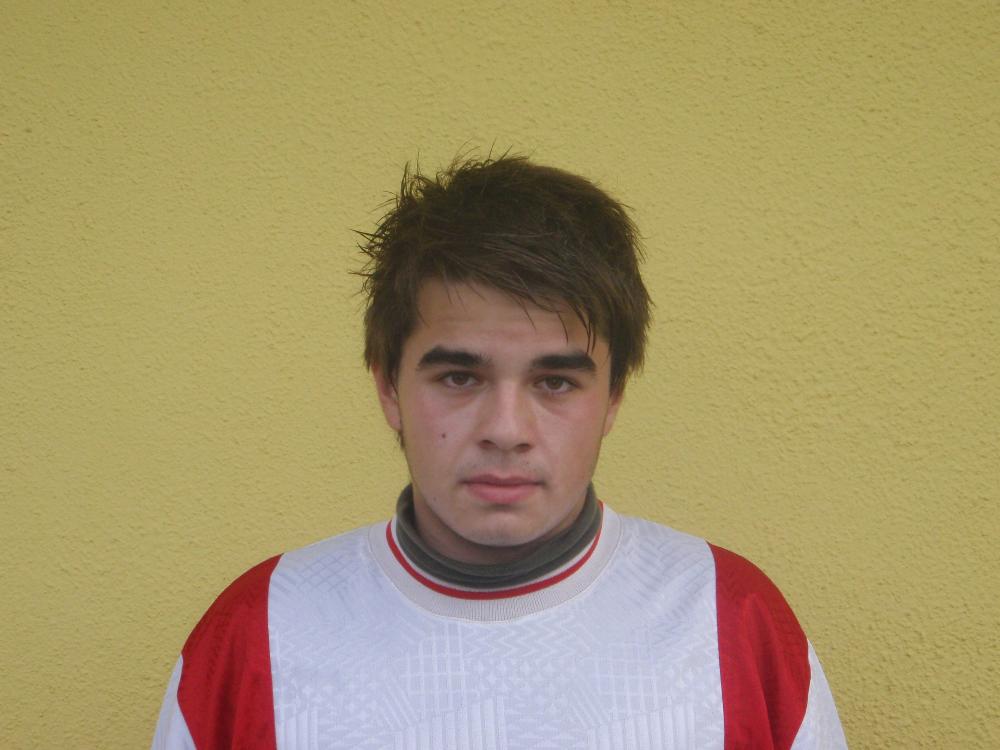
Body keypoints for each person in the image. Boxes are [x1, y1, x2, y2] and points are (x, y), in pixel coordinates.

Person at [152, 154, 848, 749]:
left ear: (613, 397)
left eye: (555, 382)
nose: (507, 429)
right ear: (388, 387)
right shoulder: (256, 634)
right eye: (460, 377)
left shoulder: (734, 625)